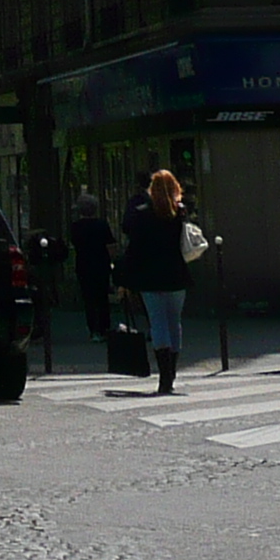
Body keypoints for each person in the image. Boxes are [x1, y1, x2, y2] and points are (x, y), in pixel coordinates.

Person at [117, 169, 195, 394]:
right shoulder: (179, 213)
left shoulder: (142, 214)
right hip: (176, 274)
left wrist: (124, 279)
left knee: (158, 323)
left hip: (150, 276)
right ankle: (171, 373)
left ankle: (164, 376)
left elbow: (134, 249)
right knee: (174, 323)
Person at [69, 195, 115, 342]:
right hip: (101, 264)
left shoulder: (75, 227)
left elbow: (74, 243)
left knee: (88, 298)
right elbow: (110, 246)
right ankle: (104, 327)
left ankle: (92, 329)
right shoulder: (102, 224)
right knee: (102, 297)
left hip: (83, 264)